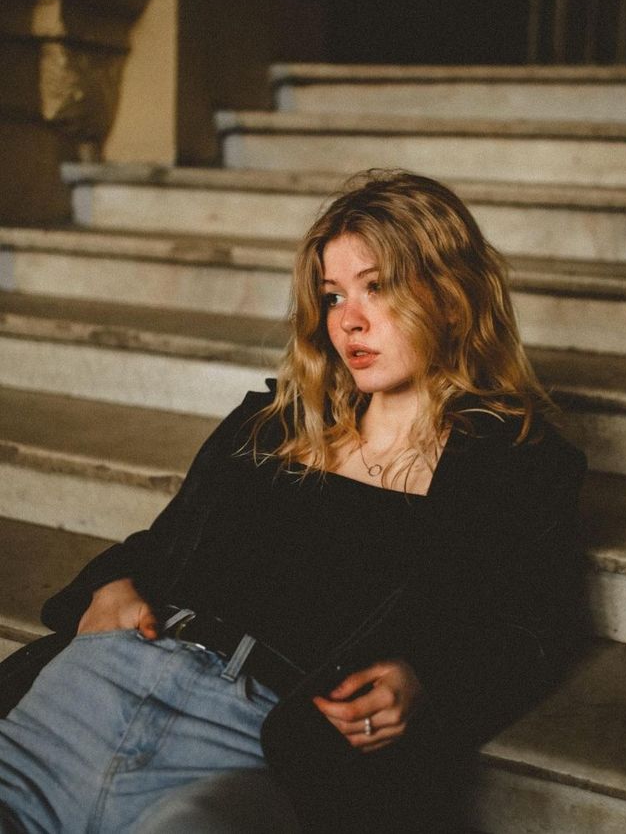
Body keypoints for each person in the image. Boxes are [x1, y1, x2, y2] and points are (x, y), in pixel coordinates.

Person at [0, 170, 587, 833]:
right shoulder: (272, 423)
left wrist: (430, 683)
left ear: (451, 296)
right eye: (333, 295)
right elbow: (159, 545)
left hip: (248, 741)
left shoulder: (514, 466)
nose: (349, 320)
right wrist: (109, 581)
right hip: (90, 691)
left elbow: (535, 628)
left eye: (377, 286)